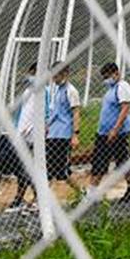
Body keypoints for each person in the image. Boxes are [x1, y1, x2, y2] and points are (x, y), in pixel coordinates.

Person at [90, 62, 130, 202]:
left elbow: (125, 108)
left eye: (108, 76)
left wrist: (115, 129)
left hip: (116, 134)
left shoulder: (122, 87)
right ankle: (93, 192)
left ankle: (92, 194)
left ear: (116, 73)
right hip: (104, 133)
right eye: (104, 77)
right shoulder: (111, 89)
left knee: (111, 161)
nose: (106, 80)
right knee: (112, 161)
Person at [1, 66, 39, 214]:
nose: (31, 77)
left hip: (34, 138)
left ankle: (37, 199)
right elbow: (21, 114)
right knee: (21, 169)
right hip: (22, 137)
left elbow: (45, 115)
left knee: (29, 170)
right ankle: (20, 198)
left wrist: (30, 129)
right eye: (31, 74)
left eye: (34, 74)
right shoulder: (27, 92)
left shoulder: (45, 92)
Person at [45, 62, 83, 198]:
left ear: (65, 74)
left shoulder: (71, 91)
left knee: (62, 172)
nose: (54, 78)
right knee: (49, 169)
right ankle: (42, 199)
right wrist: (47, 126)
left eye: (56, 75)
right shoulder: (57, 91)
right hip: (52, 134)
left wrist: (75, 135)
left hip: (63, 135)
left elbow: (76, 113)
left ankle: (82, 194)